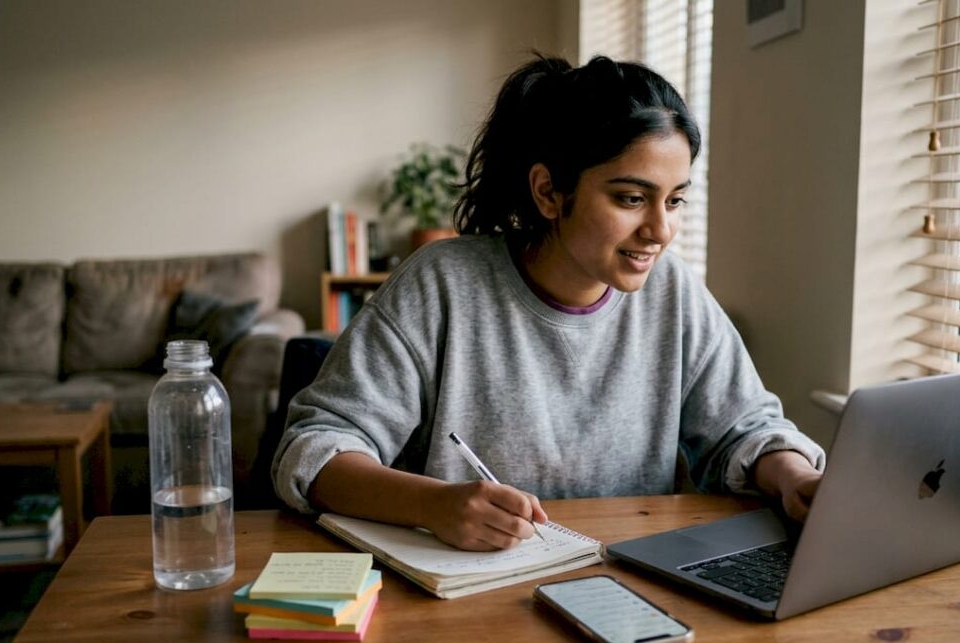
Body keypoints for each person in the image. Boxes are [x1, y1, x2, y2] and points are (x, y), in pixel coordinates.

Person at [272, 54, 825, 552]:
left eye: (675, 201)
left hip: (625, 585)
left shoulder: (673, 293)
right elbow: (313, 450)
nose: (660, 229)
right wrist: (431, 504)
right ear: (549, 192)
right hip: (459, 594)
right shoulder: (442, 283)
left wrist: (796, 479)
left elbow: (744, 431)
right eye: (631, 198)